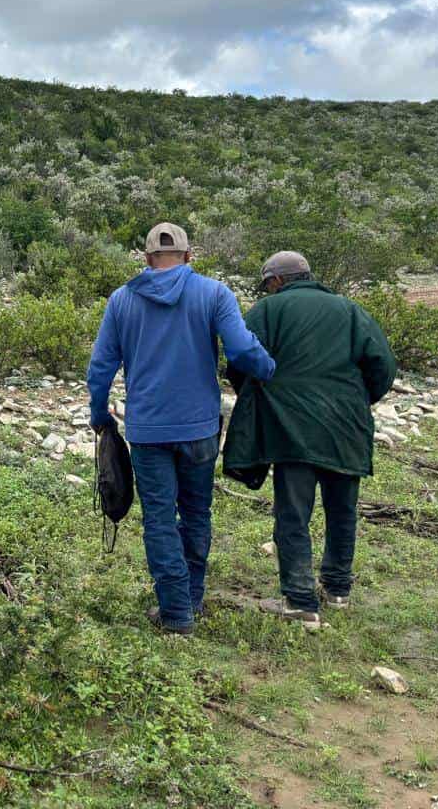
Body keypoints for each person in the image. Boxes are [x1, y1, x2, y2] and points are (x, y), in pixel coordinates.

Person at [88, 223, 276, 635]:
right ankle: (191, 598)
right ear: (190, 256)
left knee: (158, 518)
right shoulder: (214, 293)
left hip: (148, 430)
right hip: (200, 428)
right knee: (196, 513)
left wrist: (99, 414)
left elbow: (101, 367)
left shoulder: (122, 300)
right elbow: (243, 349)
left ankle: (175, 611)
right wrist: (270, 370)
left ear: (146, 257)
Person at [223, 251, 397, 629]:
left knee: (293, 513)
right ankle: (337, 590)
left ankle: (300, 600)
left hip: (291, 429)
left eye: (267, 284)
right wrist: (356, 400)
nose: (267, 290)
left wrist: (261, 394)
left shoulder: (267, 312)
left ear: (277, 281)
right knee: (342, 511)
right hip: (346, 429)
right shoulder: (350, 310)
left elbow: (238, 360)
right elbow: (383, 365)